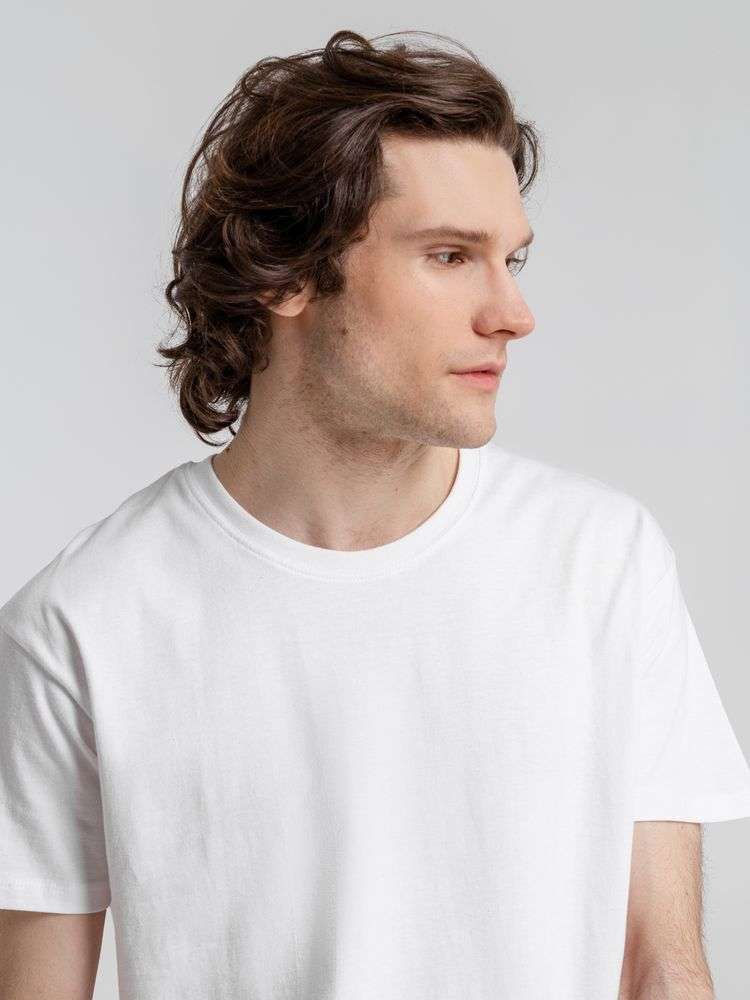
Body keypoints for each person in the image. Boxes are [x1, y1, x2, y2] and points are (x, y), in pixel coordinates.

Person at [1, 27, 748, 1000]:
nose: (512, 313)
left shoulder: (601, 561)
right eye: (450, 255)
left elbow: (664, 970)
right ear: (283, 272)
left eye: (513, 259)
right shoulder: (86, 620)